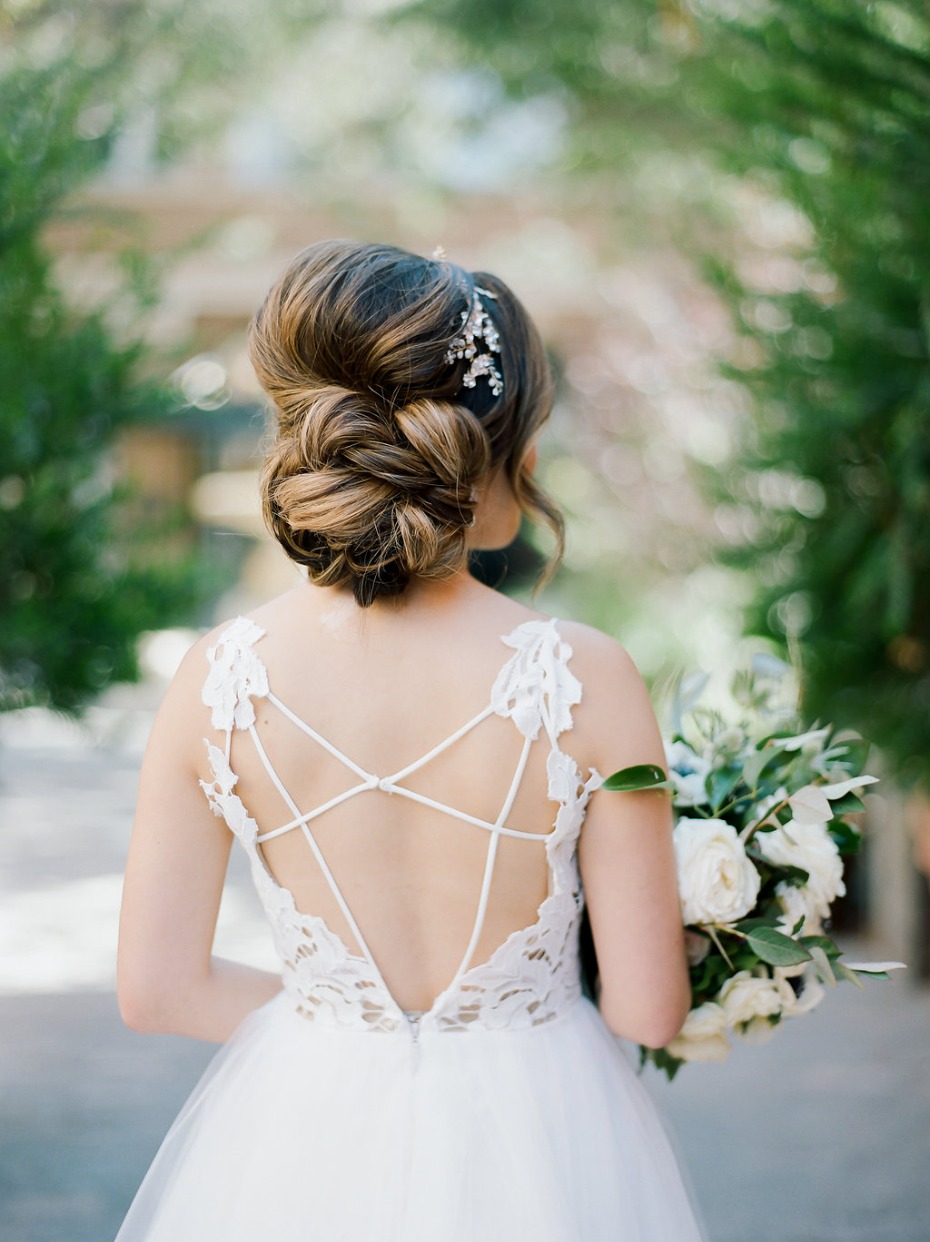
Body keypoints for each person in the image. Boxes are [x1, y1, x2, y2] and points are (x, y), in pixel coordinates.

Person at [116, 240, 703, 1240]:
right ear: (497, 445)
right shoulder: (585, 675)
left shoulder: (216, 681)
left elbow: (159, 989)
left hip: (298, 1142)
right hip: (547, 1148)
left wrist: (346, 1034)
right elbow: (649, 1011)